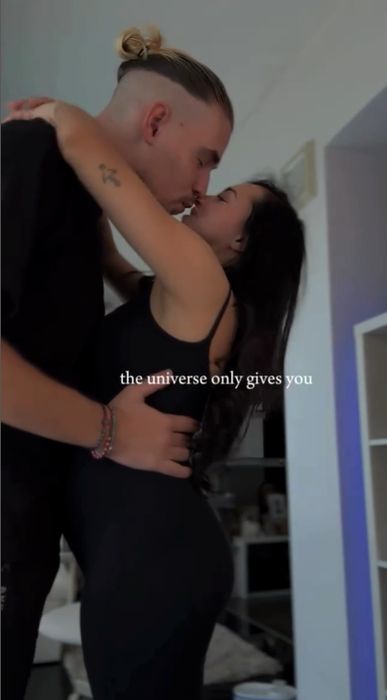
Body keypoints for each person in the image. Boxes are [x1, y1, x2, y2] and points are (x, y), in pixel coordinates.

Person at [7, 90, 306, 698]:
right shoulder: (179, 294)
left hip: (153, 559)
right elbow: (109, 255)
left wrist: (60, 114)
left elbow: (100, 166)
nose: (203, 193)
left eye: (225, 197)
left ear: (242, 243)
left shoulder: (203, 284)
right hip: (146, 552)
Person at [1, 24, 234, 700]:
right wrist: (110, 429)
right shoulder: (32, 153)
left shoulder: (85, 207)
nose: (203, 186)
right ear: (156, 120)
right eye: (204, 160)